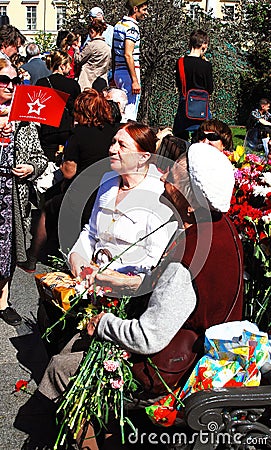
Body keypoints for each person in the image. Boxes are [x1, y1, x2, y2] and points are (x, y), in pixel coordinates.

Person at [34, 141, 243, 449]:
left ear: (190, 200)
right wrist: (130, 283)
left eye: (174, 172)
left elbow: (149, 337)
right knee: (72, 347)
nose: (164, 175)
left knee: (63, 368)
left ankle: (81, 440)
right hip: (190, 346)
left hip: (173, 367)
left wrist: (103, 322)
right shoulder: (221, 227)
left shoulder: (189, 258)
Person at [18, 89, 119, 272]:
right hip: (109, 190)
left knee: (48, 208)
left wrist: (64, 157)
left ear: (83, 112)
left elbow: (68, 172)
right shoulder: (114, 131)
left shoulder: (79, 135)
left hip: (82, 193)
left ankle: (32, 258)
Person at [68, 121, 177, 279]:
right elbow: (91, 233)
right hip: (91, 275)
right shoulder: (108, 180)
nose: (112, 149)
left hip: (125, 286)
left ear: (143, 157)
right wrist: (77, 255)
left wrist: (113, 277)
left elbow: (153, 258)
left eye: (122, 145)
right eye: (113, 142)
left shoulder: (159, 193)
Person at [0, 58, 47, 326]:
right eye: (4, 80)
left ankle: (3, 300)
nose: (10, 85)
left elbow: (40, 158)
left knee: (8, 248)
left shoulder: (25, 119)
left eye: (15, 81)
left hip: (12, 196)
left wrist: (30, 167)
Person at [35, 50, 81, 162]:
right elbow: (77, 108)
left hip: (47, 129)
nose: (70, 68)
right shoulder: (73, 84)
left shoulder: (41, 83)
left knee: (48, 161)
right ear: (62, 66)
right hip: (66, 128)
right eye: (69, 65)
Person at [173, 29, 213, 140]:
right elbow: (210, 88)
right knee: (203, 135)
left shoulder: (180, 62)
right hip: (202, 107)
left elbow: (178, 83)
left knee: (179, 137)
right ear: (204, 45)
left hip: (185, 103)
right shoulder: (206, 65)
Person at [112, 0, 149, 121]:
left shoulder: (118, 25)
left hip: (118, 70)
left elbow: (114, 51)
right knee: (130, 110)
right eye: (143, 10)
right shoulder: (132, 28)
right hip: (129, 72)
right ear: (135, 9)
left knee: (120, 107)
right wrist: (134, 80)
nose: (146, 13)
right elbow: (128, 54)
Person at [74, 19, 111, 91]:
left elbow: (79, 60)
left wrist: (77, 49)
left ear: (92, 31)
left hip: (88, 79)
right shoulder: (107, 47)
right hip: (102, 79)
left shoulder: (91, 45)